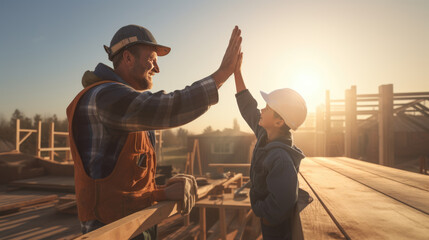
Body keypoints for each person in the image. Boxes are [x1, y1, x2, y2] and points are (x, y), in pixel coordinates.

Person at [66, 24, 242, 239]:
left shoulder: (125, 107)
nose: (157, 69)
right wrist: (221, 75)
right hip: (112, 230)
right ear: (128, 58)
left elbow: (123, 186)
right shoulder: (103, 97)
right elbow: (165, 107)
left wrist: (161, 192)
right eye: (152, 59)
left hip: (133, 224)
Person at [233, 52, 306, 239]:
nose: (262, 109)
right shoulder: (266, 135)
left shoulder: (280, 158)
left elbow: (285, 200)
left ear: (279, 121)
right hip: (271, 221)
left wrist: (264, 214)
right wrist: (237, 72)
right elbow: (248, 107)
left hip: (276, 228)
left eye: (267, 108)